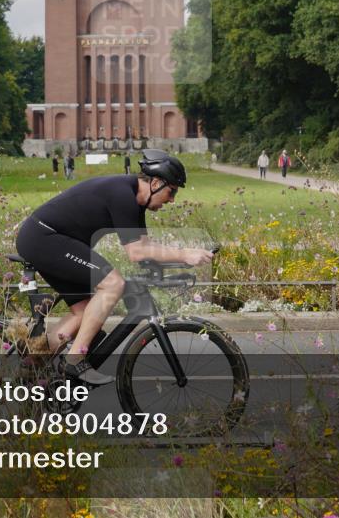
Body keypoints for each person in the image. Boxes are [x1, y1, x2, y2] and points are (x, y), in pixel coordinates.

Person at [15, 149, 213, 384]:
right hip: (44, 238)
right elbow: (137, 251)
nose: (172, 200)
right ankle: (75, 361)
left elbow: (143, 248)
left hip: (49, 239)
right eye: (172, 191)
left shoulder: (135, 199)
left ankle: (33, 362)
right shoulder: (122, 195)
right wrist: (185, 255)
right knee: (112, 284)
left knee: (85, 311)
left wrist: (175, 268)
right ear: (157, 183)